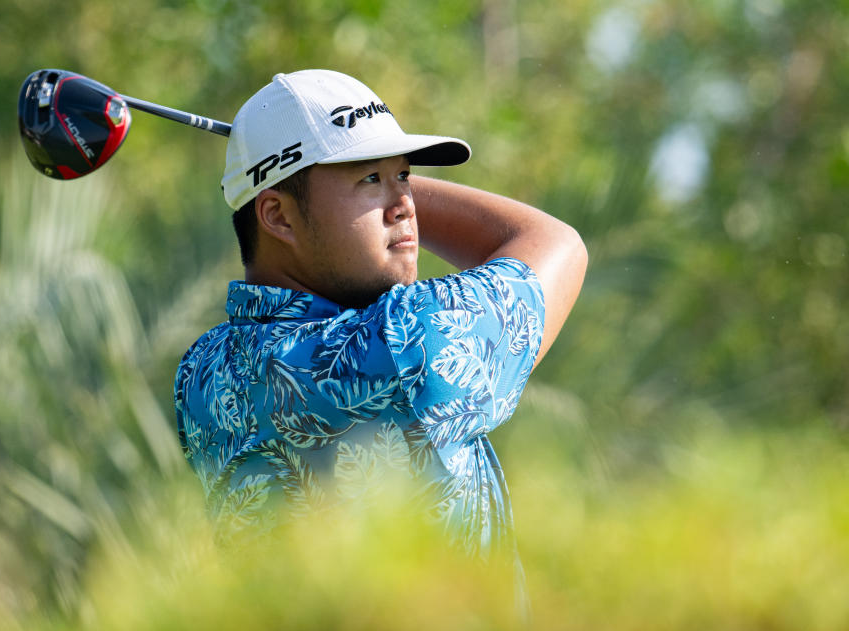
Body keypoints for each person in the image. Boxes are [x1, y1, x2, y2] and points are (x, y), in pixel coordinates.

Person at [174, 70, 587, 565]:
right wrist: (354, 175)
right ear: (279, 216)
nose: (405, 207)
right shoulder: (402, 345)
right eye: (369, 179)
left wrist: (339, 181)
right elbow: (555, 243)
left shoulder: (201, 368)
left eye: (406, 177)